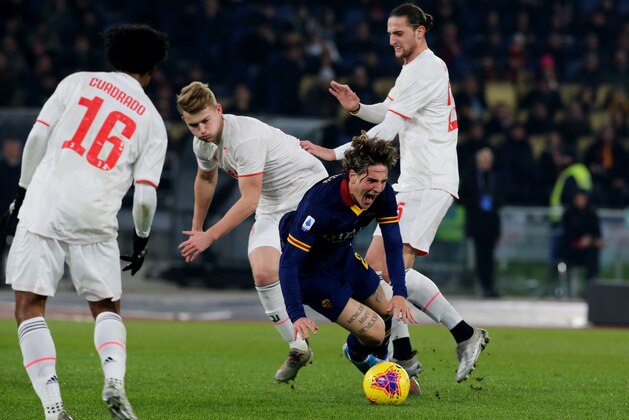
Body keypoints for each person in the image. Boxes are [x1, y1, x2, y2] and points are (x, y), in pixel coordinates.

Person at [300, 3, 489, 384]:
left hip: (430, 180)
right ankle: (416, 349)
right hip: (414, 181)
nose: (391, 40)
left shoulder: (428, 68)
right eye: (389, 34)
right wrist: (358, 108)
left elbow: (388, 131)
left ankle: (447, 340)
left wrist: (334, 154)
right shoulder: (413, 71)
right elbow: (388, 112)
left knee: (389, 270)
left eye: (399, 33)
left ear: (420, 31)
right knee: (376, 272)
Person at [0, 24, 169, 420]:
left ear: (112, 56)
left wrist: (22, 193)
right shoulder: (152, 121)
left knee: (29, 307)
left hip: (44, 203)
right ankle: (114, 380)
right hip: (95, 214)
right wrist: (141, 241)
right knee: (107, 307)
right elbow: (145, 195)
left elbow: (37, 139)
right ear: (151, 70)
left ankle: (54, 409)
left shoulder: (76, 82)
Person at [175, 81, 328, 383]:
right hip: (273, 206)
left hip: (308, 193)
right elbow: (206, 179)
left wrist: (210, 236)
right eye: (194, 125)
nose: (202, 129)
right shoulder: (201, 144)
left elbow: (248, 200)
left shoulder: (243, 138)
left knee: (322, 276)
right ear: (185, 122)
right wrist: (196, 228)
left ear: (219, 110)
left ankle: (381, 340)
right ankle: (298, 346)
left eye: (206, 120)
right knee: (263, 273)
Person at [279, 133, 416, 383]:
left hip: (343, 256)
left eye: (383, 181)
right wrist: (296, 313)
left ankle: (381, 370)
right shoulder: (318, 207)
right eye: (371, 180)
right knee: (375, 332)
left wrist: (400, 292)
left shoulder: (382, 193)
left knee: (386, 312)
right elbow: (288, 263)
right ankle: (365, 361)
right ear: (352, 175)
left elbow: (393, 243)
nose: (377, 188)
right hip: (313, 276)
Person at [459, 148, 503, 297]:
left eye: (488, 160)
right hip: (476, 223)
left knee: (489, 258)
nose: (486, 163)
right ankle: (478, 287)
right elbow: (462, 198)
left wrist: (494, 203)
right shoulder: (470, 177)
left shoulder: (496, 177)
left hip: (491, 224)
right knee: (477, 257)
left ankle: (489, 287)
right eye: (483, 159)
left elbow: (503, 197)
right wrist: (477, 203)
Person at [561, 189, 603, 291]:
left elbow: (597, 234)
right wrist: (580, 242)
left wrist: (591, 240)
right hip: (572, 250)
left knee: (593, 252)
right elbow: (567, 235)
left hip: (588, 249)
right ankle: (580, 289)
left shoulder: (592, 214)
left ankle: (591, 287)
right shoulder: (568, 214)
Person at [0, 137, 22, 283]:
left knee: (21, 247)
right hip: (2, 214)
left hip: (20, 216)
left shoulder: (24, 170)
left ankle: (19, 280)